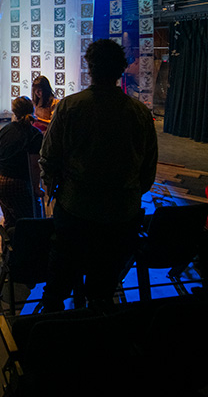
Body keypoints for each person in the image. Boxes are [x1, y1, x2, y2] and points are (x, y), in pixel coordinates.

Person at [40, 39, 158, 311]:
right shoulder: (139, 113)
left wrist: (54, 192)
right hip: (122, 215)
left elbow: (49, 157)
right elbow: (148, 169)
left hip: (75, 211)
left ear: (90, 68)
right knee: (103, 292)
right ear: (121, 70)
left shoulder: (70, 107)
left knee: (57, 286)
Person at [0, 96, 44, 230]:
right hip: (14, 184)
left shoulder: (5, 129)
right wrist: (36, 188)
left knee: (10, 221)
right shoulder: (34, 134)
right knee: (31, 221)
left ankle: (10, 242)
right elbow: (34, 165)